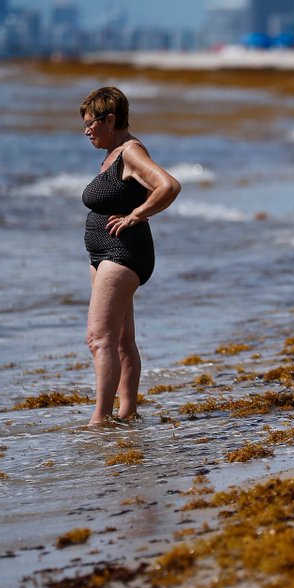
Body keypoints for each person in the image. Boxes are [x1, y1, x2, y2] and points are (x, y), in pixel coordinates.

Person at [79, 87, 180, 425]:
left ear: (110, 120)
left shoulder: (130, 152)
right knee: (121, 339)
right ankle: (127, 414)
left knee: (98, 338)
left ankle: (100, 420)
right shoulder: (112, 153)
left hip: (123, 251)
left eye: (91, 123)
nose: (87, 131)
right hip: (104, 253)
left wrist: (136, 215)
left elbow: (169, 186)